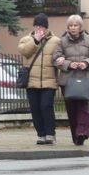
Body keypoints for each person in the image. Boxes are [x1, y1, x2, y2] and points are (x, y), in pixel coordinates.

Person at [53, 14, 89, 146]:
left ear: (80, 27)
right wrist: (68, 64)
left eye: (75, 25)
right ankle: (76, 136)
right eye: (71, 25)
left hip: (84, 80)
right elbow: (55, 59)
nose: (73, 28)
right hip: (68, 81)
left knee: (83, 108)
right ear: (68, 27)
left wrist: (86, 63)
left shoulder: (88, 40)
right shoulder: (61, 42)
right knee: (72, 110)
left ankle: (82, 132)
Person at [19, 14, 60, 144]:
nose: (38, 29)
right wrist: (35, 41)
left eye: (41, 26)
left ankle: (50, 134)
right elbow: (24, 52)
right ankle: (41, 134)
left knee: (46, 106)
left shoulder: (56, 41)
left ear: (46, 27)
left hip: (49, 81)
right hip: (32, 81)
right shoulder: (26, 39)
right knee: (35, 108)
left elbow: (60, 54)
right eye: (36, 26)